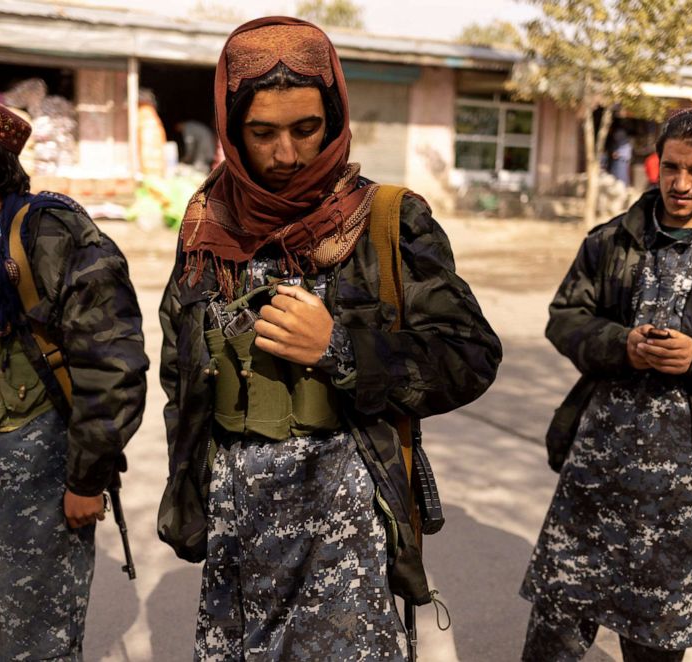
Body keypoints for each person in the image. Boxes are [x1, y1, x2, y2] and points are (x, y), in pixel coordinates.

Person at [157, 16, 501, 660]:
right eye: (261, 133)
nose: (286, 154)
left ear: (335, 117)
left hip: (346, 537)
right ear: (232, 129)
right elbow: (181, 371)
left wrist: (340, 347)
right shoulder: (207, 226)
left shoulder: (390, 221)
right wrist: (190, 492)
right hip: (238, 529)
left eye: (306, 129)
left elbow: (470, 355)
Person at [519, 107, 692, 661]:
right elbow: (565, 318)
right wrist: (619, 343)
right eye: (670, 166)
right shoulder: (611, 240)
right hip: (595, 474)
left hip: (685, 485)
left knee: (655, 636)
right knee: (557, 626)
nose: (679, 183)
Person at [0, 93, 148, 660]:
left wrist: (86, 480)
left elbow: (113, 364)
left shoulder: (50, 233)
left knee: (39, 647)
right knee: (3, 633)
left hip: (47, 482)